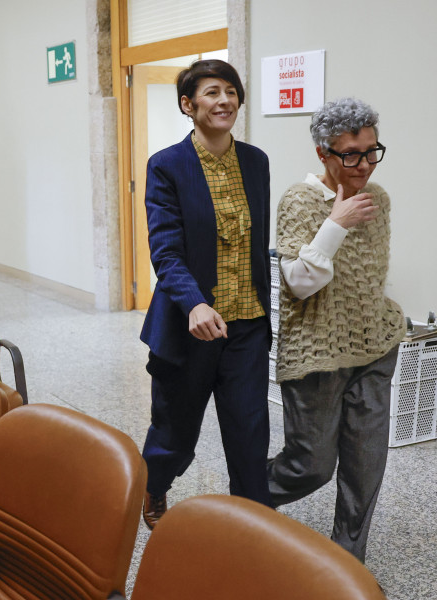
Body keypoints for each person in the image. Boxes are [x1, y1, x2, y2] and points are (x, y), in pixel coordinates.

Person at [267, 98, 404, 562]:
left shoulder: (378, 199)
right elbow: (299, 285)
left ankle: (347, 566)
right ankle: (243, 502)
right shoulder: (299, 201)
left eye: (371, 151)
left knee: (365, 470)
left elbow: (366, 278)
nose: (363, 164)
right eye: (351, 154)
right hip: (317, 356)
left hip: (375, 347)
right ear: (323, 153)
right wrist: (335, 224)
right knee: (311, 467)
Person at [139, 60, 273, 530]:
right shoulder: (167, 166)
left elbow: (258, 243)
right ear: (188, 105)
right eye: (212, 93)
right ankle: (153, 487)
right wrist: (194, 302)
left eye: (231, 92)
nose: (224, 101)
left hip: (248, 326)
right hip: (189, 326)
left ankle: (254, 526)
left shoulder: (256, 162)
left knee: (250, 436)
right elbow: (167, 250)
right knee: (175, 433)